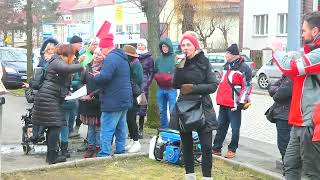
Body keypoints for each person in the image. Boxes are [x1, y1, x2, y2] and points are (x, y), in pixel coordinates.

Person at [272, 12, 320, 179]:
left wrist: (277, 51)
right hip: (298, 121)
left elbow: (289, 68)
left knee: (310, 172)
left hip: (311, 122)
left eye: (304, 30)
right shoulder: (311, 52)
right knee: (289, 164)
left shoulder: (318, 54)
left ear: (314, 31)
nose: (301, 34)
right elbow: (296, 76)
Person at [170, 34, 218, 180]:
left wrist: (193, 88)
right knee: (186, 145)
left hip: (203, 106)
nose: (185, 48)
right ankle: (189, 175)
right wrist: (179, 67)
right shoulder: (180, 62)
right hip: (184, 106)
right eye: (183, 45)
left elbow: (213, 86)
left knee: (206, 146)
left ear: (195, 46)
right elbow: (175, 85)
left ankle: (207, 177)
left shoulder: (204, 62)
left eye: (188, 45)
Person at [31, 44, 83, 164]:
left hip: (49, 97)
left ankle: (51, 156)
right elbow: (67, 69)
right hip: (47, 98)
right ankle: (52, 157)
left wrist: (67, 91)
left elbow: (60, 80)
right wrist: (82, 64)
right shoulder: (57, 61)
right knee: (55, 126)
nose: (74, 57)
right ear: (66, 54)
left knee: (54, 126)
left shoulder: (56, 61)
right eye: (73, 54)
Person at [93, 34, 133, 157]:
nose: (101, 52)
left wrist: (96, 76)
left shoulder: (111, 58)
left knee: (107, 128)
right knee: (120, 127)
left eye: (101, 49)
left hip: (112, 98)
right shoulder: (122, 57)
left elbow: (105, 77)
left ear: (106, 48)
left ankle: (104, 153)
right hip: (124, 97)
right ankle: (120, 150)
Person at [212, 43, 252, 159]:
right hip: (223, 102)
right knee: (220, 126)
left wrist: (240, 103)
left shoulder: (244, 68)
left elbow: (247, 87)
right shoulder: (226, 66)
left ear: (233, 54)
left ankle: (232, 149)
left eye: (227, 53)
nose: (225, 54)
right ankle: (216, 148)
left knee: (235, 128)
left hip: (235, 104)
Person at [80, 47, 103, 158]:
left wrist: (92, 95)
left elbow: (103, 86)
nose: (96, 56)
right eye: (95, 54)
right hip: (87, 102)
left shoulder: (105, 68)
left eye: (99, 54)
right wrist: (83, 94)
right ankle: (90, 147)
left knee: (98, 127)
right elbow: (82, 82)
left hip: (99, 101)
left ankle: (98, 148)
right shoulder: (87, 67)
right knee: (90, 127)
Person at [268, 75, 293, 174]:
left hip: (285, 116)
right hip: (284, 115)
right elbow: (271, 87)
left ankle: (288, 170)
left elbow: (278, 96)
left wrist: (277, 89)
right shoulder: (286, 76)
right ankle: (288, 168)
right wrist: (277, 89)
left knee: (285, 145)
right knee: (285, 144)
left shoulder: (291, 78)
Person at [123, 45, 143, 153]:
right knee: (129, 119)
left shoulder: (136, 64)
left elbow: (138, 80)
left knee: (131, 119)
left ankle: (136, 141)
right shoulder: (131, 63)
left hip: (134, 95)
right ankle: (132, 140)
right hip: (131, 93)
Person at [154, 37, 177, 129]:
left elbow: (179, 71)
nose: (164, 48)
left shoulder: (175, 58)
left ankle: (172, 129)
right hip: (160, 89)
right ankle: (164, 128)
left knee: (172, 110)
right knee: (162, 110)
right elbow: (155, 71)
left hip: (171, 89)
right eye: (163, 46)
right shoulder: (158, 60)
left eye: (166, 46)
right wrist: (159, 77)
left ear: (169, 47)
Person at [137, 41, 154, 139]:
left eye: (141, 45)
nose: (140, 46)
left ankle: (140, 129)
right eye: (139, 44)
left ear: (145, 46)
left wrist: (147, 83)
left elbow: (151, 72)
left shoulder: (149, 58)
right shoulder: (133, 56)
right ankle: (133, 130)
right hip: (134, 84)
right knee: (133, 109)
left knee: (142, 109)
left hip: (144, 85)